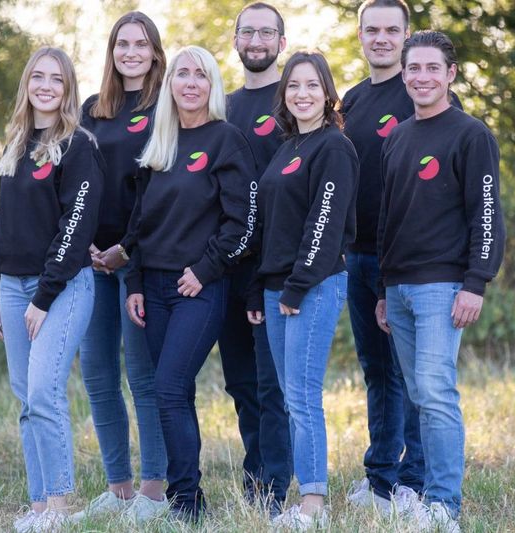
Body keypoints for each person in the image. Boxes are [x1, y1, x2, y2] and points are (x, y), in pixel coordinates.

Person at [377, 30, 505, 532]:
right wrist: (384, 290)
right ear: (404, 74)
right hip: (400, 289)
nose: (422, 77)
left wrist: (476, 281)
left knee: (434, 391)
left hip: (444, 287)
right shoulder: (398, 137)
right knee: (418, 392)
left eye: (433, 68)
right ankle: (426, 493)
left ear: (450, 73)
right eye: (414, 68)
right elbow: (388, 216)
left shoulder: (471, 134)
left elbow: (488, 213)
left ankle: (444, 505)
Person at [123, 45, 255, 522]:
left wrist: (205, 269)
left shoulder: (226, 140)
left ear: (212, 85)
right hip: (152, 287)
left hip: (198, 286)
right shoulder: (159, 141)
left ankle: (187, 503)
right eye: (183, 74)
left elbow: (241, 222)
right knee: (173, 393)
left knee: (168, 385)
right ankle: (183, 495)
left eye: (201, 74)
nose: (191, 82)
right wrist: (134, 280)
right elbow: (139, 223)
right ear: (171, 84)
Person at [341, 0, 462, 512]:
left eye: (392, 30)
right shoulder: (350, 99)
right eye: (373, 30)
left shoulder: (420, 94)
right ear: (362, 36)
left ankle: (414, 481)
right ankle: (381, 477)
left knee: (416, 378)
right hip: (361, 258)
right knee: (377, 372)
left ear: (407, 36)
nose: (382, 39)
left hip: (417, 267)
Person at [0, 46, 104, 533]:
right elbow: (2, 225)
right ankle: (37, 508)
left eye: (57, 78)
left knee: (43, 391)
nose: (47, 85)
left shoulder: (79, 147)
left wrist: (43, 297)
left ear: (68, 87)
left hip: (63, 286)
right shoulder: (15, 142)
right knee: (24, 397)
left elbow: (75, 229)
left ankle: (59, 506)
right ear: (27, 84)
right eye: (38, 76)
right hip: (12, 287)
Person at [247, 51, 358, 530]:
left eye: (312, 85)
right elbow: (269, 226)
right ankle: (303, 494)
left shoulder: (333, 147)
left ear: (327, 92)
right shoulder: (287, 146)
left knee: (302, 395)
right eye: (294, 86)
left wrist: (295, 287)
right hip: (277, 289)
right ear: (284, 94)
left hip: (313, 286)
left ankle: (313, 502)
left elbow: (325, 224)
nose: (302, 94)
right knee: (287, 394)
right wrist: (260, 290)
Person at [68, 11, 169, 526]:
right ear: (111, 52)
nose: (130, 52)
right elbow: (78, 180)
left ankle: (154, 490)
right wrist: (83, 244)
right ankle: (120, 488)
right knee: (99, 375)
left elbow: (160, 191)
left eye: (141, 43)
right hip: (91, 261)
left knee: (143, 375)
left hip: (140, 261)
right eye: (121, 44)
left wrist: (127, 251)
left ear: (155, 51)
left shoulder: (167, 106)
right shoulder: (92, 110)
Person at [221, 1, 291, 515]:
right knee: (241, 382)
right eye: (249, 32)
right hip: (228, 268)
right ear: (236, 40)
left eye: (268, 33)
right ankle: (255, 475)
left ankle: (276, 487)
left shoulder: (295, 103)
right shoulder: (222, 108)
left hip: (274, 270)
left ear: (281, 44)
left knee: (274, 386)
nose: (258, 41)